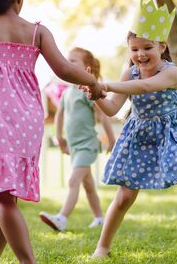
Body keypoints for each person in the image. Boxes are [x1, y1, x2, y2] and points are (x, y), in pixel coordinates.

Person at [0, 0, 104, 263]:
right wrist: (93, 82)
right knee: (6, 196)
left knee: (4, 197)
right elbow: (66, 71)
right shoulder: (37, 32)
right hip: (27, 120)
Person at [83, 0, 177, 257]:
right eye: (134, 49)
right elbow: (113, 109)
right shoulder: (129, 73)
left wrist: (106, 84)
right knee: (125, 196)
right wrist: (96, 94)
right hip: (139, 136)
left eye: (147, 47)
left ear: (162, 46)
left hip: (171, 134)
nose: (140, 55)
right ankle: (102, 247)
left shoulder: (172, 72)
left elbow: (146, 88)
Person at [39, 47, 116, 232]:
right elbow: (59, 115)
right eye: (68, 60)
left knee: (74, 181)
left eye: (73, 61)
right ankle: (99, 218)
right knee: (88, 185)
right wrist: (59, 137)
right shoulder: (67, 92)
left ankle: (61, 218)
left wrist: (112, 140)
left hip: (87, 145)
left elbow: (104, 115)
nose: (68, 63)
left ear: (87, 68)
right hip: (74, 146)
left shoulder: (89, 89)